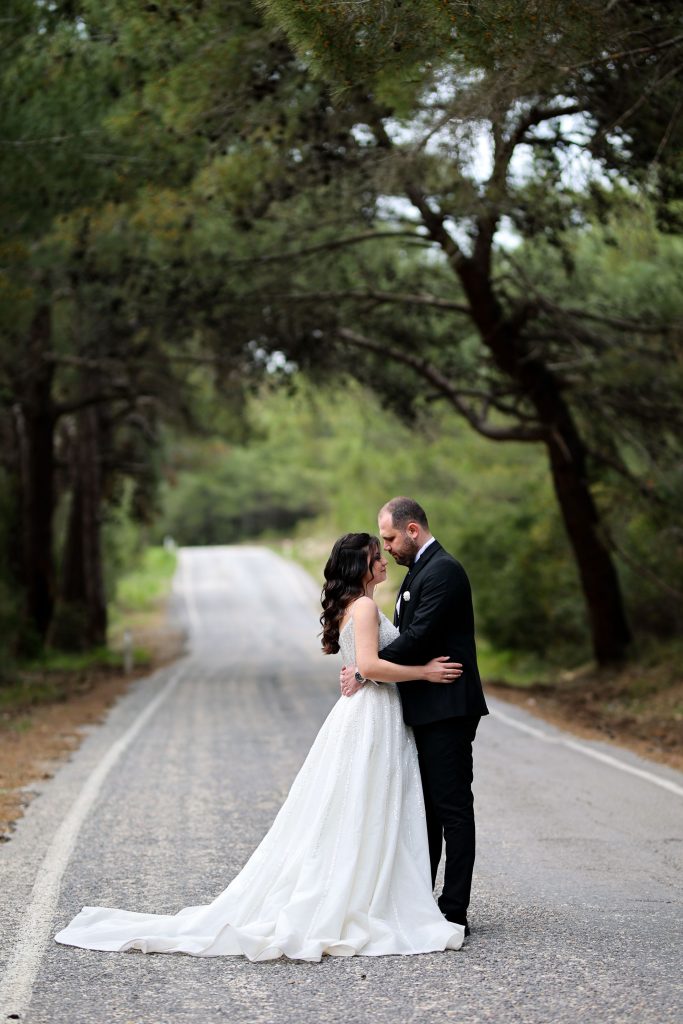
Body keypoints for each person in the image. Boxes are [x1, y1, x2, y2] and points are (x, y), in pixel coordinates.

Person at [55, 533, 465, 962]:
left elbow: (362, 665)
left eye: (382, 553)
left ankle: (369, 888)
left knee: (361, 804)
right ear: (359, 568)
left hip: (366, 710)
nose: (382, 561)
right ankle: (366, 895)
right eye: (375, 557)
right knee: (367, 801)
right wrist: (425, 672)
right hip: (371, 713)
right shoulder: (362, 606)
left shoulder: (355, 605)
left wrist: (366, 671)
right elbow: (369, 665)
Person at [340, 498, 488, 935]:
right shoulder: (419, 573)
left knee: (452, 808)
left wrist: (366, 667)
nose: (386, 548)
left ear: (412, 530)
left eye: (389, 538)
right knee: (427, 812)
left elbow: (419, 638)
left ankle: (453, 910)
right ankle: (421, 902)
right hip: (425, 708)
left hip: (447, 707)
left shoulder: (443, 571)